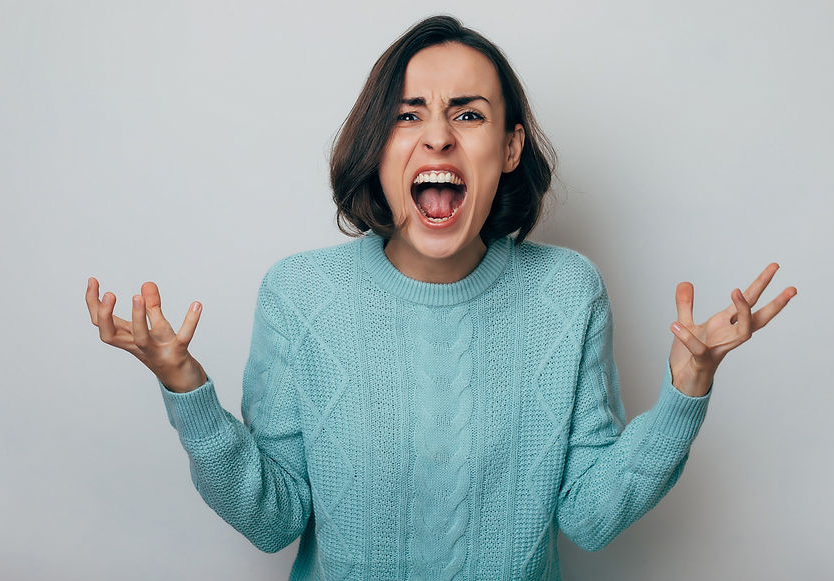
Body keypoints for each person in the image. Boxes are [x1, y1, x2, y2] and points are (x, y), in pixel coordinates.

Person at [85, 15, 795, 580]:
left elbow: (589, 515)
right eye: (406, 115)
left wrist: (687, 387)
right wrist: (185, 387)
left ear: (510, 147)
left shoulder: (566, 293)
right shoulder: (300, 296)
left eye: (468, 115)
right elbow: (274, 519)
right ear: (378, 143)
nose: (436, 137)